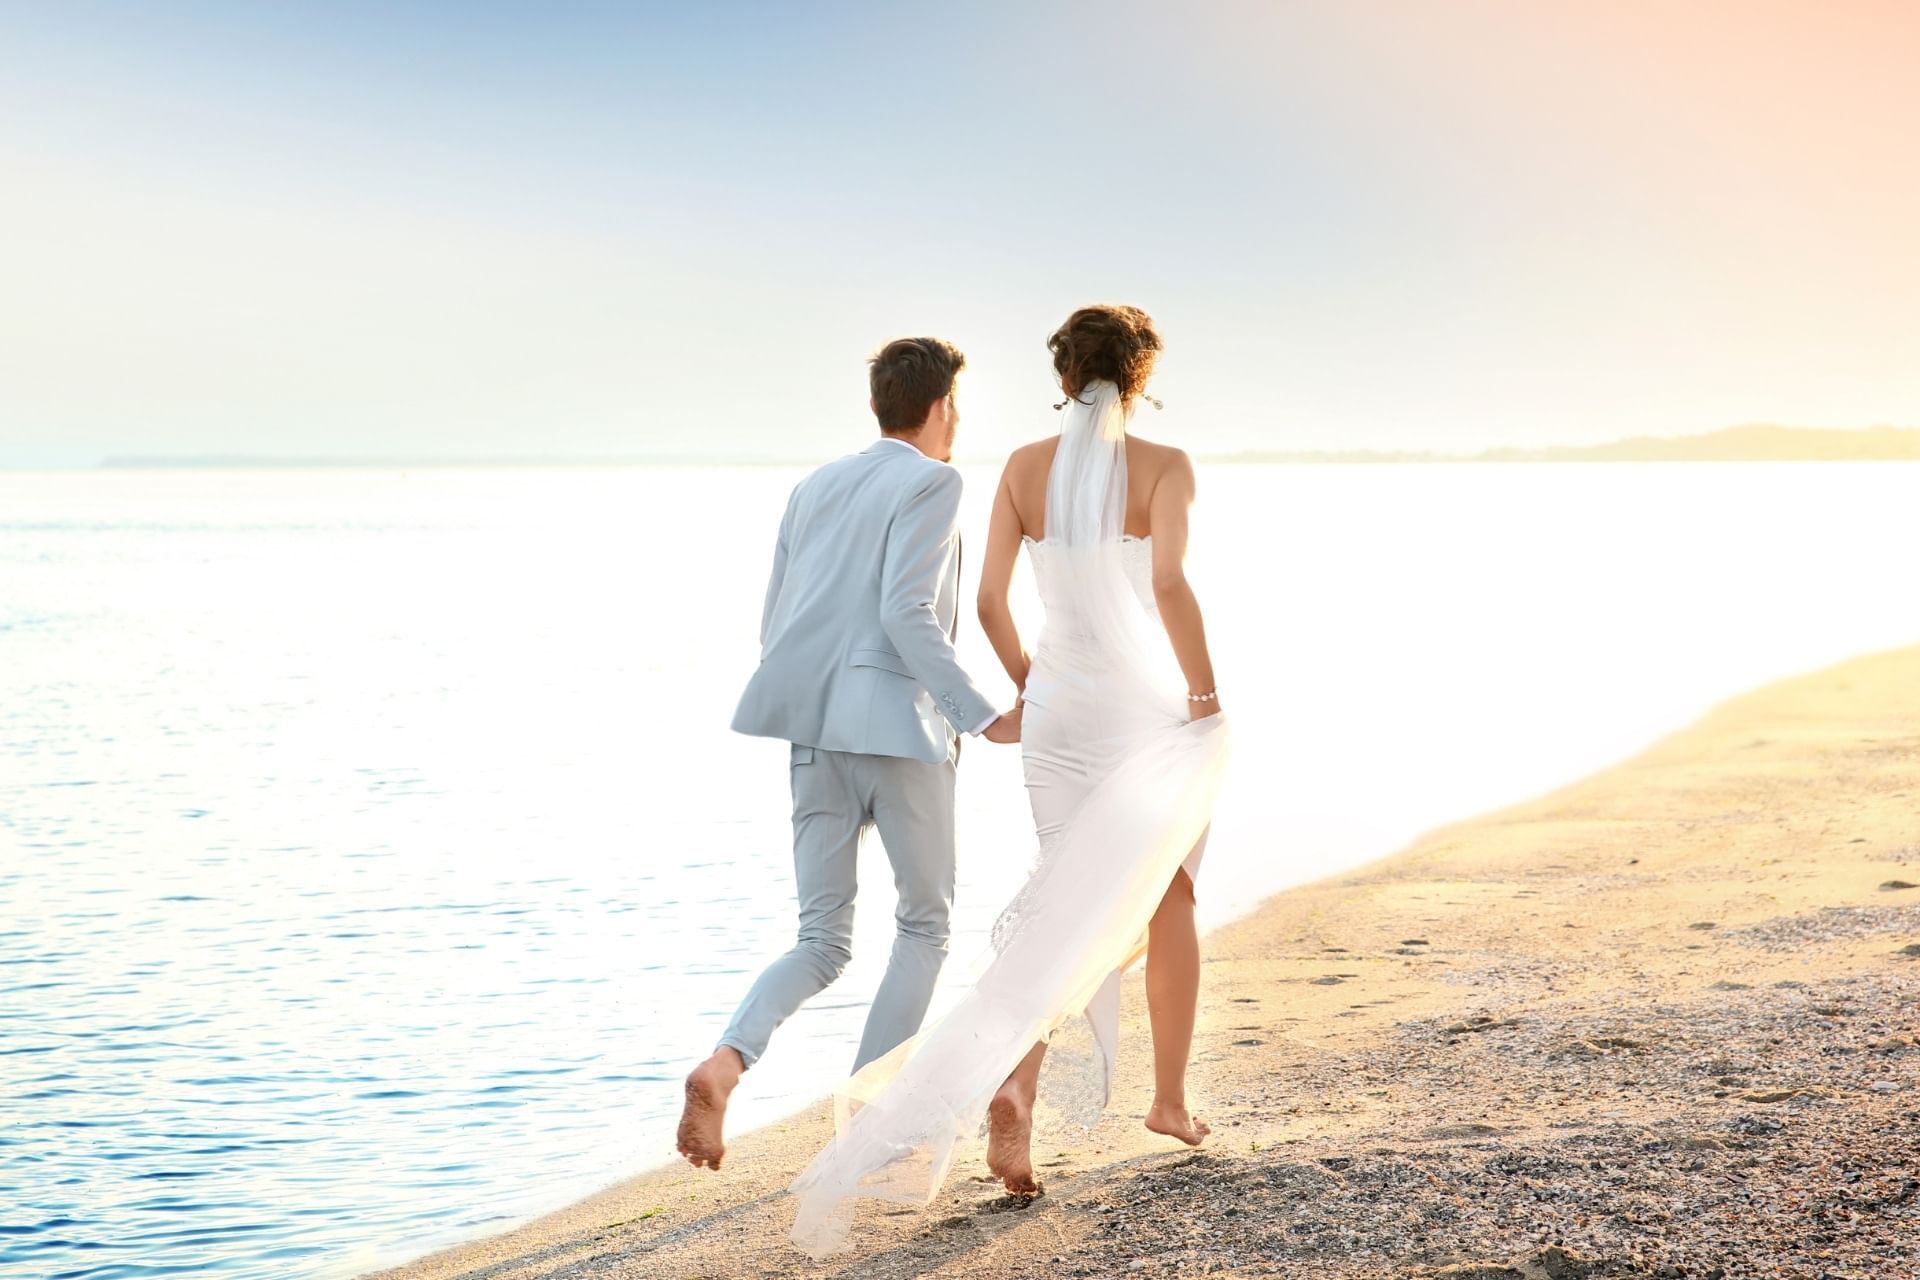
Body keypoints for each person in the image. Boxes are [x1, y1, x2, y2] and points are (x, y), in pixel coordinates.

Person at [787, 305, 1229, 1257]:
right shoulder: (1166, 468)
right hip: (1139, 709)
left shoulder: (1023, 471)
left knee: (1062, 901)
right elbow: (1168, 588)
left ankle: (1017, 1083)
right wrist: (1203, 696)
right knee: (1171, 891)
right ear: (1140, 377)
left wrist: (1033, 685)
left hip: (1057, 716)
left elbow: (986, 602)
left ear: (1062, 376)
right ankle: (1166, 1099)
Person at [674, 336, 1022, 1174]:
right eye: (957, 409)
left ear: (877, 405)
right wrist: (978, 715)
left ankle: (727, 1062)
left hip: (813, 730)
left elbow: (776, 623)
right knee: (924, 923)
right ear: (941, 408)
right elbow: (910, 612)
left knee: (822, 938)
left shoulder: (813, 485)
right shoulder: (935, 480)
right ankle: (872, 1121)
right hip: (900, 731)